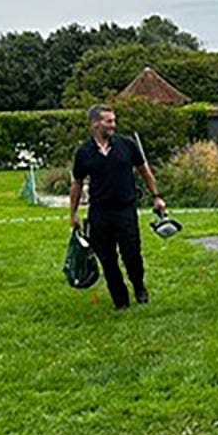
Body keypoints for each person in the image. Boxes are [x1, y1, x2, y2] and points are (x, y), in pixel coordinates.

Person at [69, 105, 166, 310]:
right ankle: (120, 301)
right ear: (95, 124)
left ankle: (139, 288)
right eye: (109, 121)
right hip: (100, 214)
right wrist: (74, 213)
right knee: (107, 259)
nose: (114, 125)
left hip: (125, 210)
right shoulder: (84, 153)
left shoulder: (127, 145)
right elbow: (77, 183)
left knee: (132, 255)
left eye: (114, 120)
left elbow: (144, 171)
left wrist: (156, 196)